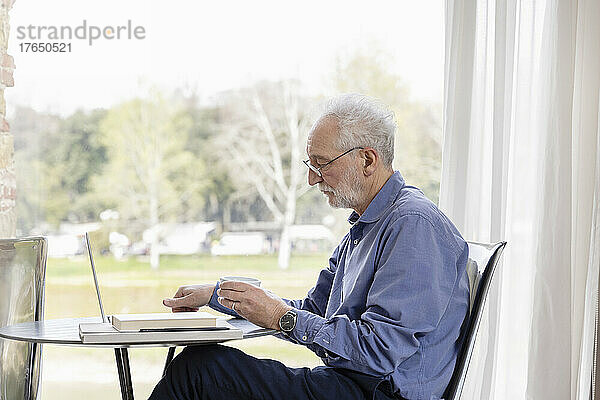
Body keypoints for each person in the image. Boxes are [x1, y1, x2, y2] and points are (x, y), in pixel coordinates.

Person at [150, 94, 470, 400]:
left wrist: (280, 317)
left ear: (367, 160)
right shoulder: (367, 226)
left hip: (376, 392)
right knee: (199, 365)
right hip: (349, 385)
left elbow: (378, 353)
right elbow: (314, 311)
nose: (311, 179)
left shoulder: (412, 224)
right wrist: (220, 296)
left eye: (320, 163)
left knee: (198, 372)